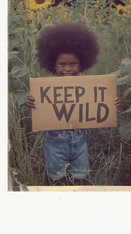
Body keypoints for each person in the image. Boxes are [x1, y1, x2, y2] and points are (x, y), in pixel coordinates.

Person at [26, 22, 121, 186]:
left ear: (82, 64)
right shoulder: (46, 89)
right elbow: (39, 113)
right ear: (54, 65)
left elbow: (100, 102)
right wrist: (32, 103)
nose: (67, 69)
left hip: (80, 143)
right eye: (62, 64)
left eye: (73, 64)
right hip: (55, 143)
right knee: (55, 179)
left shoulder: (88, 88)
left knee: (81, 177)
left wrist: (111, 103)